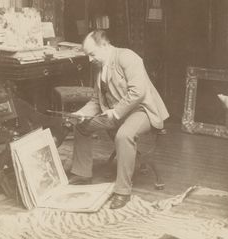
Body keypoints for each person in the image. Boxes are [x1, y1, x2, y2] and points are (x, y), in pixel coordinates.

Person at [68, 29, 169, 209]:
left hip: (143, 111)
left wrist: (115, 112)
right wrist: (80, 114)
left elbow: (138, 92)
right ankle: (82, 174)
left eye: (92, 54)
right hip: (118, 112)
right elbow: (96, 100)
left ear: (105, 46)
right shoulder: (99, 67)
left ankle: (123, 192)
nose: (90, 59)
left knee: (124, 135)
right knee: (81, 125)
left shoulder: (127, 57)